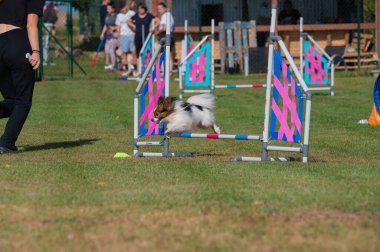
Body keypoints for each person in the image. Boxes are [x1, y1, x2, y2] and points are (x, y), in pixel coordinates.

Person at [0, 0, 44, 154]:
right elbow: (31, 24)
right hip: (17, 42)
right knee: (23, 101)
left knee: (13, 100)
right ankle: (6, 143)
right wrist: (36, 52)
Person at [128, 3, 156, 75]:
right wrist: (133, 26)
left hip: (147, 37)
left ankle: (148, 69)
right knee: (139, 53)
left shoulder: (149, 15)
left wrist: (153, 27)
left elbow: (157, 20)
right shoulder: (136, 16)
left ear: (145, 9)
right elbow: (128, 21)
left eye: (142, 8)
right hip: (138, 37)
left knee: (147, 53)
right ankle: (139, 70)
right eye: (139, 9)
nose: (140, 10)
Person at [116, 0, 136, 76]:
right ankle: (126, 68)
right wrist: (118, 39)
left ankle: (134, 68)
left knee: (133, 52)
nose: (122, 10)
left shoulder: (132, 14)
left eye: (123, 8)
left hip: (132, 35)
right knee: (124, 53)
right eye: (121, 8)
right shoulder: (119, 16)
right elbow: (118, 27)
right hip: (123, 36)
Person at [157, 2, 174, 74]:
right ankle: (169, 71)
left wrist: (157, 32)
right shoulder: (170, 15)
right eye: (158, 9)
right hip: (170, 35)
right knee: (169, 54)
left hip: (164, 35)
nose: (158, 11)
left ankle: (162, 70)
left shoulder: (165, 15)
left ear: (164, 8)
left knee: (161, 54)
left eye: (160, 9)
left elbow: (164, 27)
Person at [100, 2, 118, 71]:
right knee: (106, 50)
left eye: (108, 9)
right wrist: (102, 33)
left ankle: (114, 65)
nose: (107, 10)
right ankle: (111, 64)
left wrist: (114, 28)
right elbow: (105, 25)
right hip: (108, 36)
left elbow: (120, 26)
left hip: (114, 36)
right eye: (107, 9)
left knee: (111, 50)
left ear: (113, 9)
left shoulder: (116, 16)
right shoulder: (107, 16)